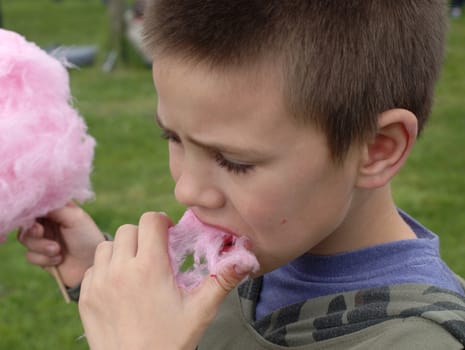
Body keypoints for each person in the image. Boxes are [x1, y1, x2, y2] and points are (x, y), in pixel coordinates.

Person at [19, 1, 465, 349]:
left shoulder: (418, 340)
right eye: (171, 136)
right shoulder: (272, 246)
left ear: (376, 148)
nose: (186, 189)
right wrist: (92, 268)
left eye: (234, 162)